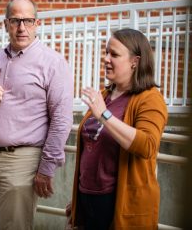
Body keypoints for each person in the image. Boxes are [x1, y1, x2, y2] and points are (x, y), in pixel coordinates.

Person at [0, 0, 73, 230]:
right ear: (6, 24)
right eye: (15, 21)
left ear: (37, 24)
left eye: (27, 21)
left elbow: (61, 119)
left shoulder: (53, 62)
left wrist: (46, 168)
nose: (21, 28)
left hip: (23, 162)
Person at [69, 28, 168, 230]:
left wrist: (104, 115)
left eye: (114, 54)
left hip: (118, 203)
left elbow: (148, 145)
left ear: (135, 62)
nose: (106, 59)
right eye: (106, 52)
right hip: (88, 199)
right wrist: (78, 203)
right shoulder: (105, 95)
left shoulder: (150, 98)